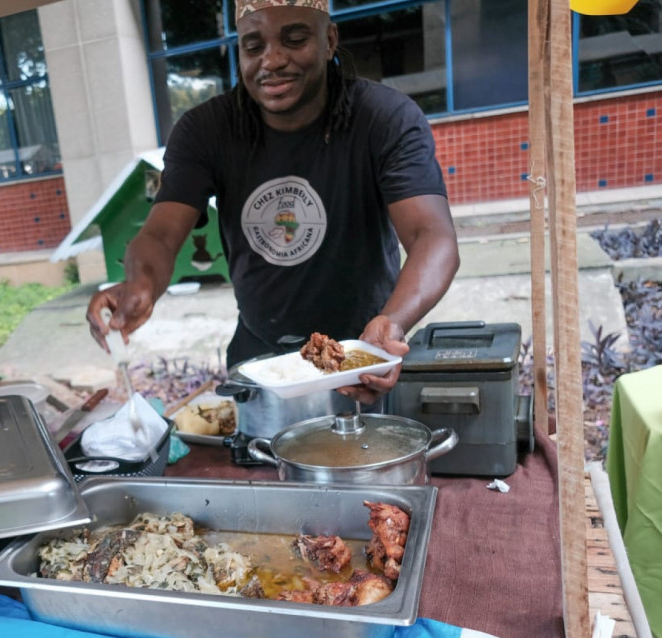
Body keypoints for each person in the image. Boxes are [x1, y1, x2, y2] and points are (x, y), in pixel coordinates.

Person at [86, 0, 460, 405]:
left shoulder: (384, 117)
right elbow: (160, 234)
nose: (272, 60)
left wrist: (392, 322)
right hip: (260, 357)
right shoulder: (205, 131)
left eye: (294, 39)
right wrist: (141, 283)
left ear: (329, 40)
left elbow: (432, 236)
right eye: (253, 46)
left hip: (362, 354)